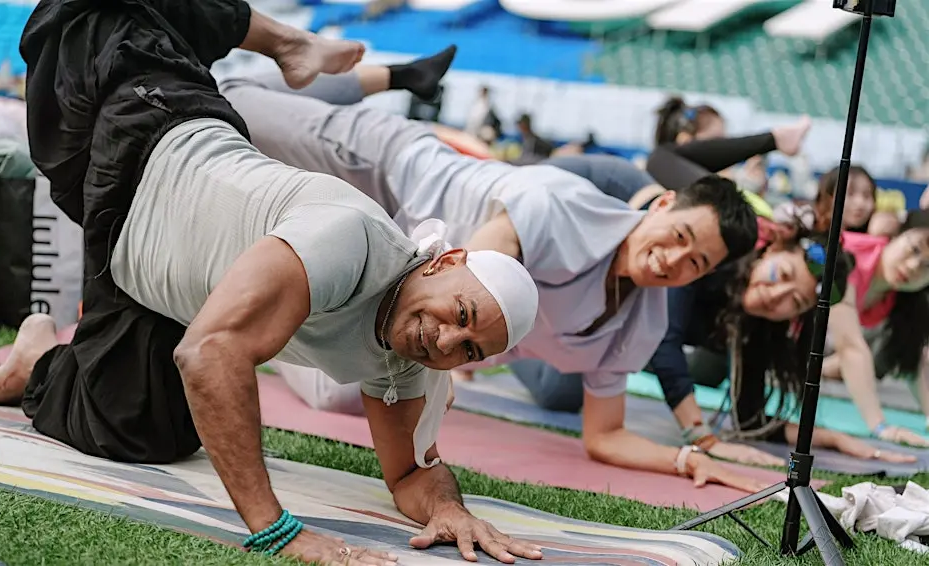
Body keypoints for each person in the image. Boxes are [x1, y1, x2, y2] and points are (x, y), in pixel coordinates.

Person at [0, 2, 545, 565]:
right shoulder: (350, 240)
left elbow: (409, 473)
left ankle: (37, 355)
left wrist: (450, 509)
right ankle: (284, 41)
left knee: (137, 429)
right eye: (463, 315)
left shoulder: (410, 362)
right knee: (91, 16)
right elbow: (211, 352)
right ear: (442, 263)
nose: (448, 341)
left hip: (135, 257)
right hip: (144, 114)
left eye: (470, 350)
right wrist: (277, 528)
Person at [218, 71, 778, 495]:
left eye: (696, 264)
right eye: (680, 235)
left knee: (344, 391)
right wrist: (445, 373)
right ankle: (366, 72)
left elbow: (604, 436)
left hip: (390, 276)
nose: (674, 261)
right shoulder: (561, 204)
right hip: (391, 172)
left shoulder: (642, 322)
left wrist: (688, 460)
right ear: (662, 202)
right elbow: (475, 279)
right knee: (226, 99)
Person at [648, 224, 918, 464]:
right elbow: (664, 339)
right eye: (783, 274)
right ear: (772, 249)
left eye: (796, 302)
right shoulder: (717, 258)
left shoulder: (759, 325)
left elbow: (750, 419)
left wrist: (833, 438)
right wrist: (704, 438)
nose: (776, 296)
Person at [819, 212, 929, 444]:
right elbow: (850, 347)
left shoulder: (897, 297)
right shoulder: (849, 258)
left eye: (926, 267)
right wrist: (881, 428)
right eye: (915, 249)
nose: (912, 267)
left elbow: (911, 358)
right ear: (896, 234)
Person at [646, 96, 812, 194]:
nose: (729, 153)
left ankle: (776, 139)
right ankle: (776, 139)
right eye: (719, 141)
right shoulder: (658, 164)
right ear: (685, 141)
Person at [773, 164, 877, 236]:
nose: (860, 203)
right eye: (850, 193)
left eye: (867, 195)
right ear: (829, 196)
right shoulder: (804, 221)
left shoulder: (875, 236)